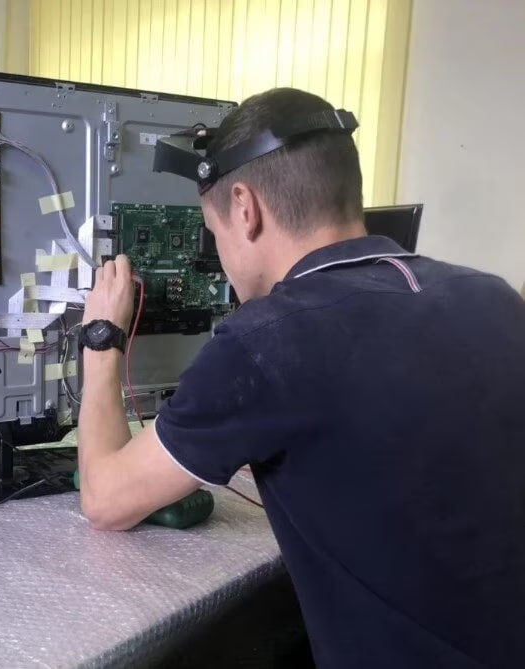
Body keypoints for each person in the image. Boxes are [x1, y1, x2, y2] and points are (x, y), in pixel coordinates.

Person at [75, 87, 525, 667]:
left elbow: (106, 500)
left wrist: (102, 337)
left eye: (215, 234)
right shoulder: (492, 296)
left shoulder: (268, 340)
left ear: (245, 208)